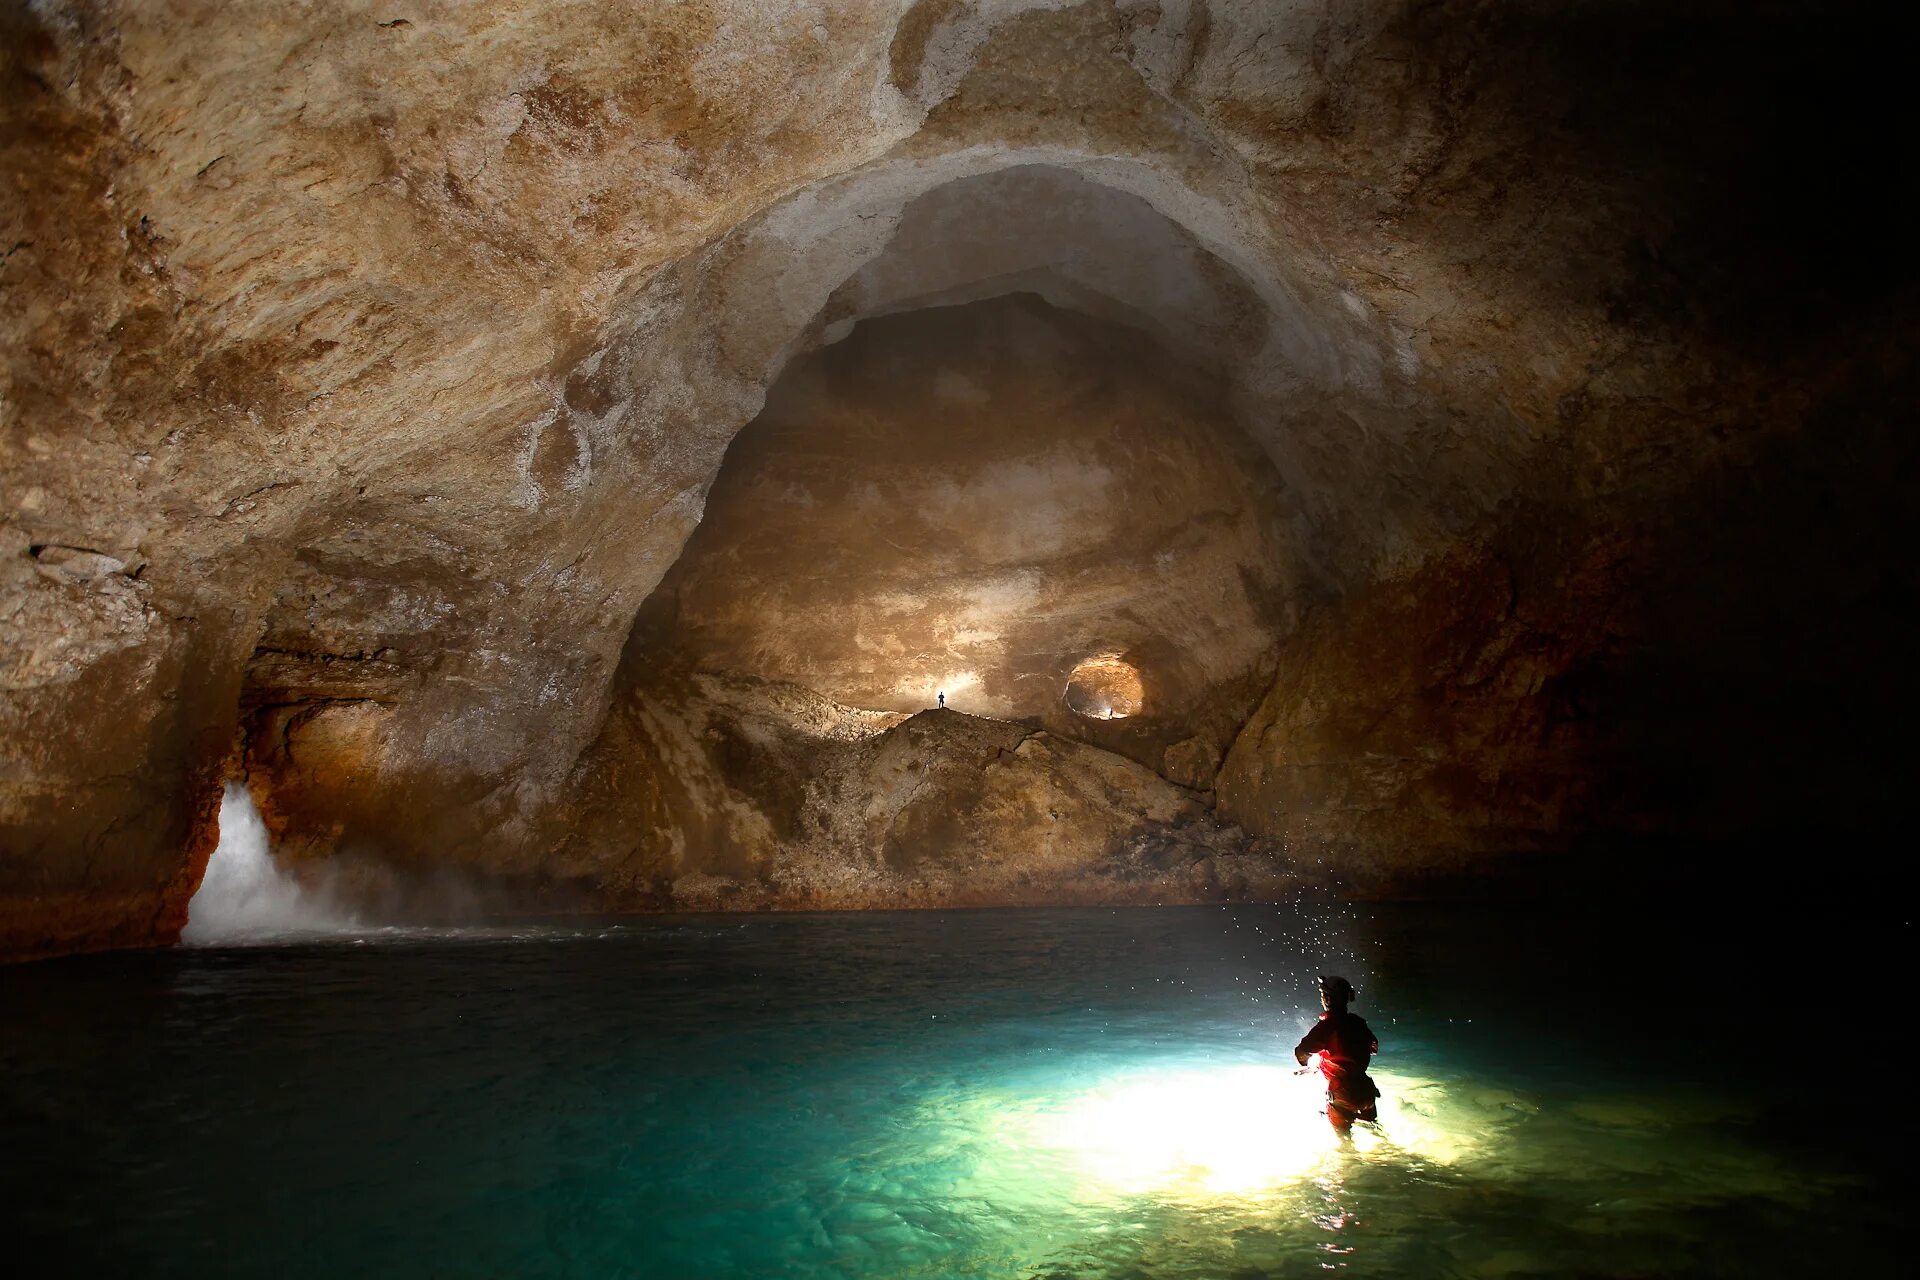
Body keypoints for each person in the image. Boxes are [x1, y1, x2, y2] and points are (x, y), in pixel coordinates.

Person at [1294, 974, 1380, 1131]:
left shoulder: (1327, 1027)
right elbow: (1373, 1048)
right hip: (1366, 1090)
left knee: (1344, 1143)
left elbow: (1301, 1052)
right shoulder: (1358, 1023)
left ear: (1327, 999)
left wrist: (1309, 1063)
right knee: (1374, 1130)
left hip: (1342, 1095)